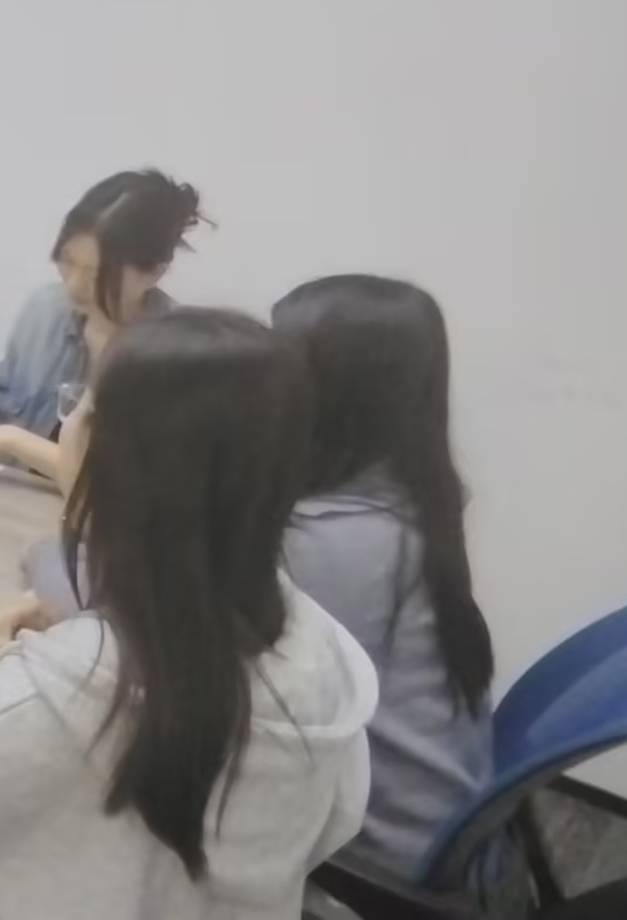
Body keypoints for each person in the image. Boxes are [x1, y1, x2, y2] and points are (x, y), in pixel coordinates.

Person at [0, 309, 378, 920]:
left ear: (110, 460)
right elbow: (334, 823)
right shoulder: (325, 658)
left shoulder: (65, 698)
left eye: (80, 410)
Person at [271, 275, 495, 877]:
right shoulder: (408, 495)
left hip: (370, 861)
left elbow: (124, 610)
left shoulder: (334, 542)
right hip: (429, 813)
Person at [0, 168, 200, 486]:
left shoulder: (178, 353)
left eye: (97, 275)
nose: (74, 287)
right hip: (15, 500)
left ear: (154, 274)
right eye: (67, 262)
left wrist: (8, 439)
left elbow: (128, 483)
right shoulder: (46, 311)